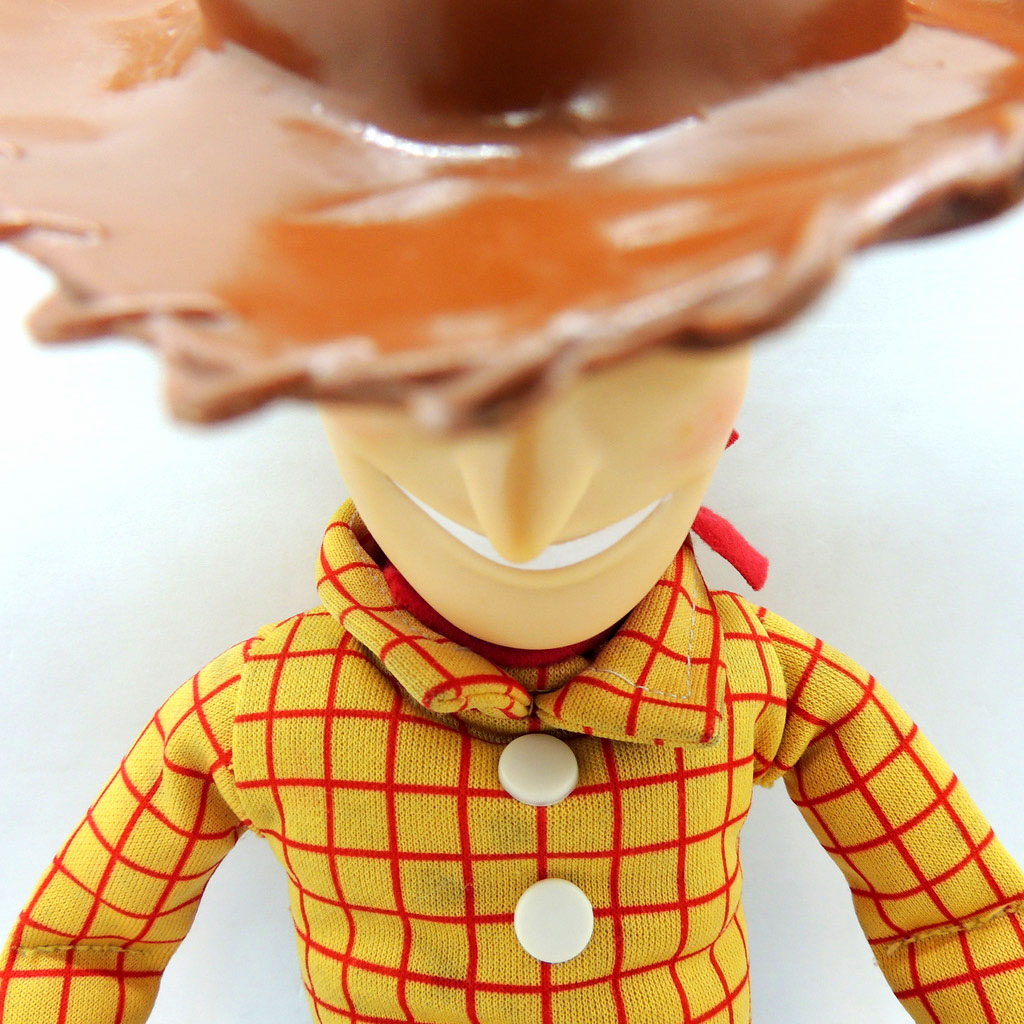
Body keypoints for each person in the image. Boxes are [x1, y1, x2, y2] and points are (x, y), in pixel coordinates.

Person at [2, 1, 1024, 1021]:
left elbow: (964, 920)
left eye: (653, 342)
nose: (523, 513)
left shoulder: (754, 683)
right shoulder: (263, 715)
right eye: (418, 364)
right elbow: (78, 949)